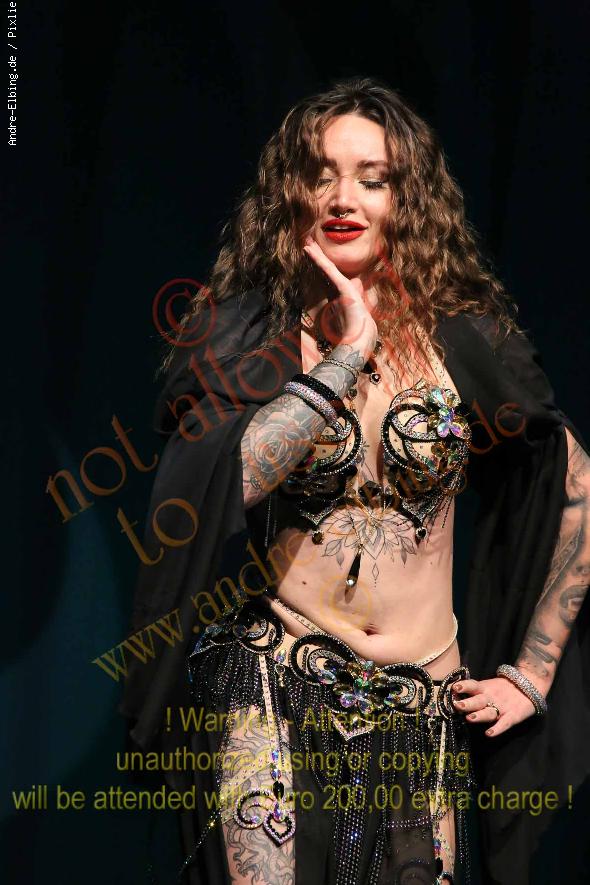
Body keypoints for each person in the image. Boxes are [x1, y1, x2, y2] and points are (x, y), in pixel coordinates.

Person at [120, 78, 590, 885]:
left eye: (372, 178)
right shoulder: (248, 335)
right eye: (321, 174)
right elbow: (224, 482)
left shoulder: (466, 343)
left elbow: (575, 486)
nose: (343, 198)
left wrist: (532, 673)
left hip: (422, 713)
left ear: (407, 200)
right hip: (271, 686)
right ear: (291, 195)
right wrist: (342, 358)